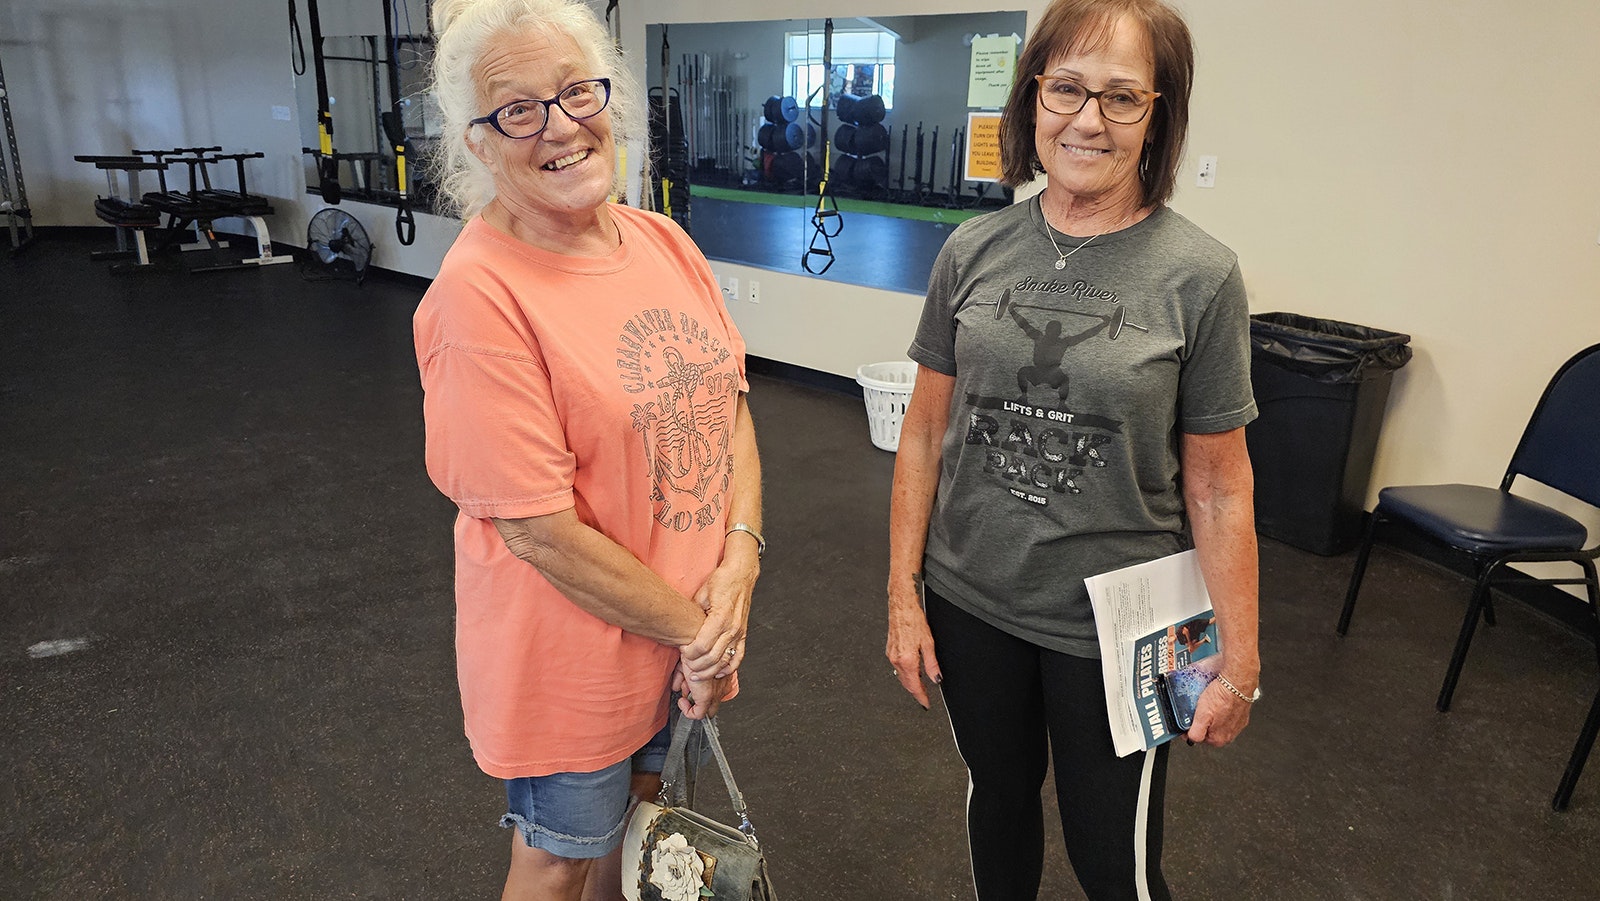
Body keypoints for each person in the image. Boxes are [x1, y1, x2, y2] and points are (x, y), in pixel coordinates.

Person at [884, 1, 1260, 898]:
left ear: (1157, 114)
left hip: (1125, 620)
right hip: (973, 597)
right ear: (1034, 97)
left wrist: (1239, 664)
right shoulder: (973, 248)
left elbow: (1219, 487)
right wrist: (903, 594)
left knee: (1113, 859)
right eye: (1067, 89)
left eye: (1122, 98)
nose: (1088, 120)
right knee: (998, 804)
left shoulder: (1199, 275)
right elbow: (926, 429)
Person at [412, 2, 762, 898]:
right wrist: (704, 634)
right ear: (476, 142)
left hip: (676, 639)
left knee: (636, 834)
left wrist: (740, 563)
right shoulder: (478, 297)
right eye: (518, 109)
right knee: (560, 860)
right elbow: (539, 531)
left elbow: (730, 410)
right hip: (570, 659)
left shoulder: (662, 241)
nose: (561, 126)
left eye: (575, 92)